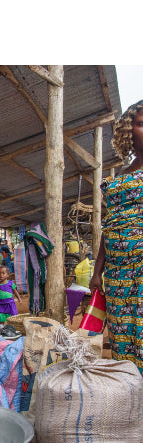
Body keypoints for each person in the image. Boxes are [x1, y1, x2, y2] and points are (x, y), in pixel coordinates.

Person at [89, 99, 143, 373]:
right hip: (118, 273)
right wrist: (97, 271)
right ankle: (132, 394)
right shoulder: (121, 174)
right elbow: (108, 227)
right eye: (141, 124)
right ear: (128, 131)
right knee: (122, 338)